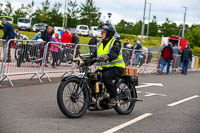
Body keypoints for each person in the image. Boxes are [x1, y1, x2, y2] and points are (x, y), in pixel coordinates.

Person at [90, 23, 125, 106]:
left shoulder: (116, 42)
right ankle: (94, 98)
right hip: (105, 68)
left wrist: (107, 57)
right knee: (91, 77)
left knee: (106, 76)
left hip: (117, 67)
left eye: (103, 32)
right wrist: (83, 60)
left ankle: (114, 97)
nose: (101, 34)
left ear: (109, 33)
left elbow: (114, 53)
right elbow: (93, 56)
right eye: (101, 32)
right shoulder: (99, 44)